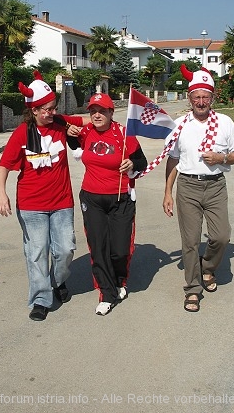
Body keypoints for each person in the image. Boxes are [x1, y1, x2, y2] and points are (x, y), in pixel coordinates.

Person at [0, 71, 87, 321]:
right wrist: (1, 193)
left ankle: (58, 281)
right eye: (45, 109)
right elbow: (4, 165)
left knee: (66, 249)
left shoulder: (59, 123)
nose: (51, 113)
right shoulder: (21, 134)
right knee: (37, 252)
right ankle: (40, 298)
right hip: (31, 205)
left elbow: (85, 124)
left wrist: (75, 131)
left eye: (53, 108)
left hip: (61, 202)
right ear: (33, 110)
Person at [162, 65, 234, 313]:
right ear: (189, 98)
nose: (200, 102)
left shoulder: (225, 123)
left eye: (205, 97)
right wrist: (168, 192)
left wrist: (222, 159)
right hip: (187, 186)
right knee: (190, 241)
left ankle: (207, 267)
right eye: (196, 97)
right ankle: (193, 289)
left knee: (221, 236)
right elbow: (173, 160)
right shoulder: (179, 125)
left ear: (212, 98)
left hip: (216, 186)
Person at [75, 93, 147, 316]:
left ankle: (119, 280)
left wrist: (131, 163)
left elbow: (142, 162)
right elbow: (58, 122)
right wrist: (68, 132)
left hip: (120, 199)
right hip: (92, 198)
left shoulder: (124, 135)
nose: (97, 115)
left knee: (119, 249)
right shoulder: (85, 132)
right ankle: (106, 293)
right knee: (98, 246)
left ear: (111, 112)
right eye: (93, 111)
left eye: (102, 111)